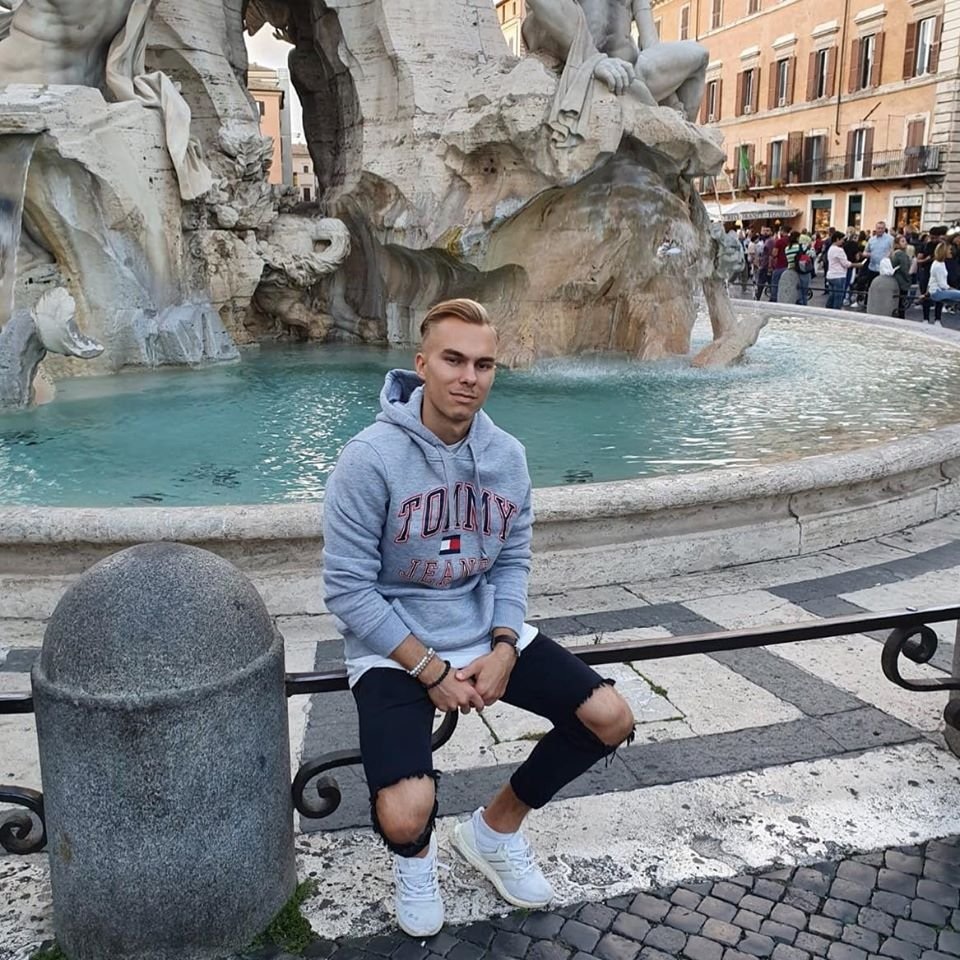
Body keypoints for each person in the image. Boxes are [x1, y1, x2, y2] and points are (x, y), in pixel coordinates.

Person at [322, 298, 636, 938]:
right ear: (422, 365)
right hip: (393, 642)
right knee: (406, 813)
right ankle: (416, 863)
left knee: (610, 717)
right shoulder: (368, 458)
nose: (469, 377)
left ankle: (494, 830)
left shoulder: (507, 456)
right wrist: (429, 669)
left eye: (484, 364)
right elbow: (348, 590)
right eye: (454, 360)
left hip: (484, 627)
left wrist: (505, 646)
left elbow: (512, 561)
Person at [523, 0, 709, 120]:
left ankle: (683, 157)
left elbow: (650, 42)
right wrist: (593, 60)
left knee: (699, 54)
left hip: (630, 72)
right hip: (577, 61)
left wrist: (670, 102)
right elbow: (542, 13)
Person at [924, 242, 960, 323]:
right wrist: (953, 290)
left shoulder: (939, 263)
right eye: (949, 250)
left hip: (936, 290)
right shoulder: (939, 266)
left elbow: (931, 280)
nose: (951, 252)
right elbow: (943, 285)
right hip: (937, 292)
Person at [825, 233, 860, 310]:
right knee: (838, 297)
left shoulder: (831, 248)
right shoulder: (839, 250)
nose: (843, 241)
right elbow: (846, 264)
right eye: (842, 239)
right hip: (839, 275)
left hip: (831, 275)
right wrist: (857, 265)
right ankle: (836, 312)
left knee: (832, 296)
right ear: (837, 239)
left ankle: (827, 311)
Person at [784, 230, 813, 305]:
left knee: (795, 292)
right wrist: (811, 249)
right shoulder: (801, 246)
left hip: (791, 270)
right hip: (802, 270)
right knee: (803, 292)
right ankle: (803, 305)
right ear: (797, 238)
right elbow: (812, 254)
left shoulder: (787, 248)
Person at [890, 235, 913, 319]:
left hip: (895, 279)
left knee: (897, 301)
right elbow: (905, 269)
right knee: (902, 302)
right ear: (897, 244)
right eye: (902, 241)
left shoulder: (894, 253)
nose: (905, 243)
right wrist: (909, 278)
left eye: (905, 241)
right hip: (902, 280)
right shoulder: (901, 255)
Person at [769, 225, 789, 302]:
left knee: (775, 283)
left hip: (780, 266)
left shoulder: (779, 241)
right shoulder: (791, 240)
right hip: (789, 266)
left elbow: (774, 253)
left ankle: (774, 299)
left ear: (782, 231)